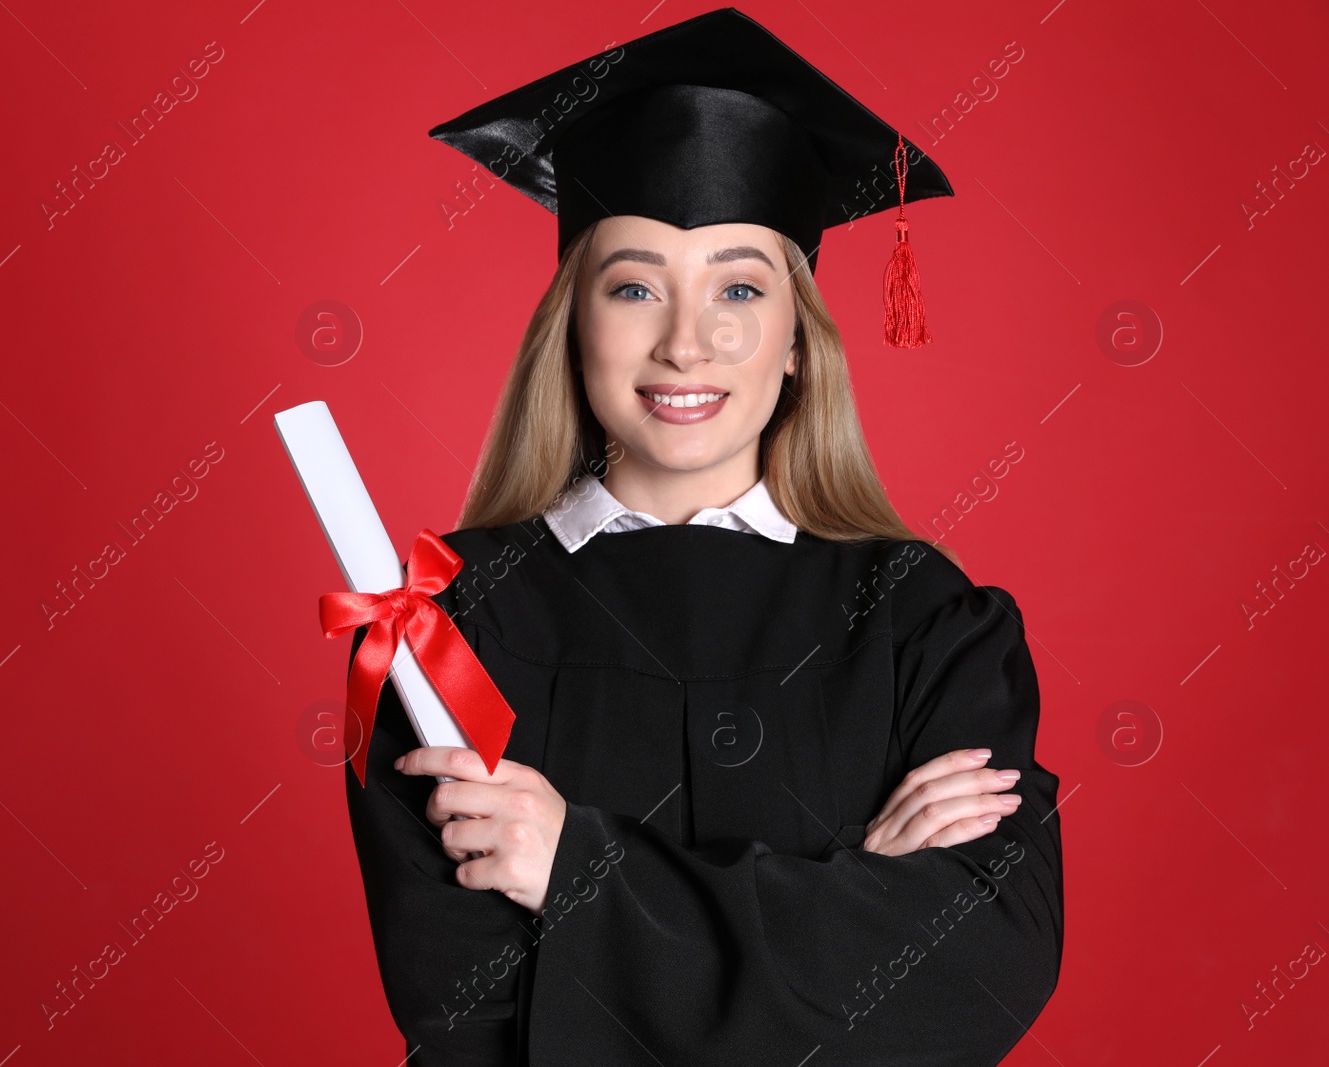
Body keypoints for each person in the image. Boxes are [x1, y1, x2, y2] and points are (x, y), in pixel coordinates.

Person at [339, 8, 1063, 1065]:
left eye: (738, 287)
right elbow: (466, 1015)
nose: (688, 341)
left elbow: (978, 975)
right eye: (633, 287)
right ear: (571, 326)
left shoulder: (927, 621)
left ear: (797, 344)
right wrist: (848, 887)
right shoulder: (437, 627)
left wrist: (574, 873)